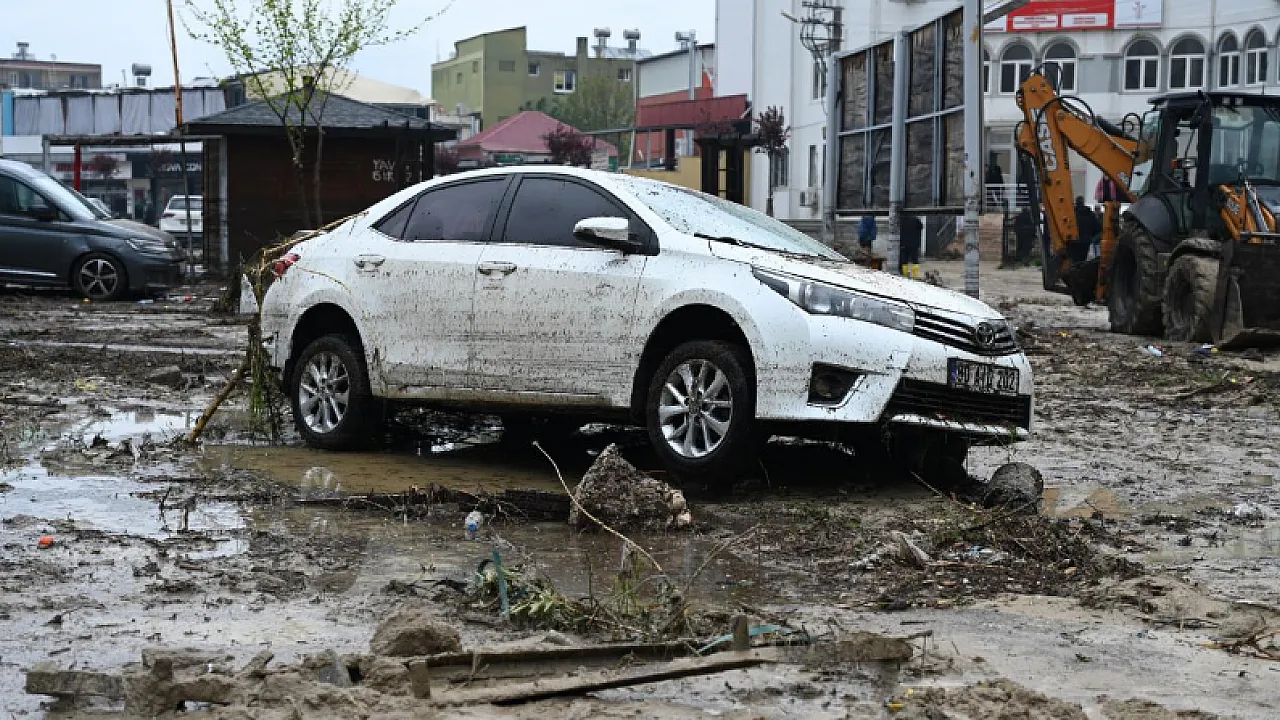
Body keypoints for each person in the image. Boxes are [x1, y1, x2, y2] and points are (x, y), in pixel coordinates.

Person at [1072, 196, 1098, 264]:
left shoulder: (1072, 214)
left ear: (1076, 202)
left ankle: (1075, 272)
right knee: (1083, 260)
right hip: (1086, 240)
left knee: (1074, 261)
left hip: (1074, 241)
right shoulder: (1091, 214)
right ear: (1083, 202)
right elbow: (1096, 227)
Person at [900, 213, 923, 279]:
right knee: (915, 260)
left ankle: (905, 274)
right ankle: (915, 276)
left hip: (904, 243)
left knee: (904, 260)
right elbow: (921, 227)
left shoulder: (903, 220)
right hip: (914, 244)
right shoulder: (916, 220)